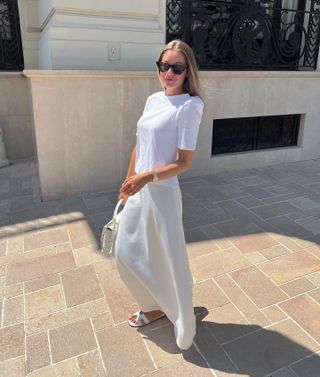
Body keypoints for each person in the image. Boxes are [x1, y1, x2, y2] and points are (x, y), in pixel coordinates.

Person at [115, 39, 204, 350]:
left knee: (169, 257)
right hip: (139, 189)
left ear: (187, 71)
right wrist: (129, 181)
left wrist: (146, 177)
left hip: (162, 192)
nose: (168, 72)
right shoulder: (153, 100)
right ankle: (155, 304)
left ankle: (182, 315)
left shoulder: (191, 106)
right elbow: (139, 145)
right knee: (125, 251)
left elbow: (184, 162)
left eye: (176, 67)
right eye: (164, 65)